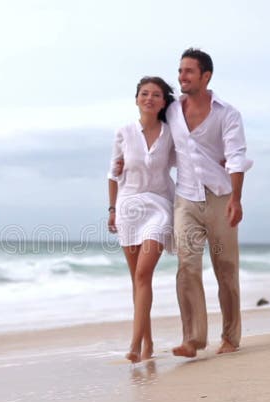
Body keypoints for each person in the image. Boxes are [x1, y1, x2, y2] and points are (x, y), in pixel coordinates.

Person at [167, 48, 253, 357]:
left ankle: (230, 336)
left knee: (226, 268)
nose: (182, 76)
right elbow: (152, 134)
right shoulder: (171, 111)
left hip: (221, 197)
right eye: (180, 70)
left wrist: (236, 199)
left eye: (189, 71)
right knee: (186, 266)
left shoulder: (227, 114)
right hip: (186, 199)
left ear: (206, 76)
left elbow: (236, 156)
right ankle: (192, 338)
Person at [107, 76, 176, 363]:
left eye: (156, 94)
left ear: (163, 102)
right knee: (137, 280)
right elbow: (113, 175)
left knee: (144, 274)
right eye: (144, 93)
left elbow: (188, 161)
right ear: (136, 99)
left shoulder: (171, 133)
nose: (149, 98)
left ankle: (134, 345)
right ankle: (147, 344)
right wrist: (112, 210)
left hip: (159, 206)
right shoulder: (123, 132)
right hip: (128, 208)